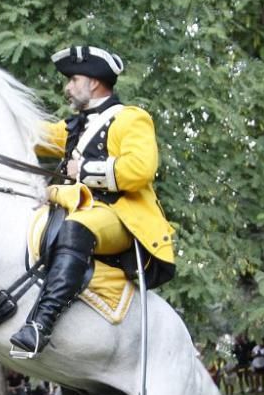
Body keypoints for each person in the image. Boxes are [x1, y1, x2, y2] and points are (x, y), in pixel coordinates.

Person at [10, 45, 175, 356]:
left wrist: (83, 170)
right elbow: (34, 135)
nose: (67, 87)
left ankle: (40, 324)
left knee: (77, 226)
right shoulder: (72, 126)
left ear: (94, 82)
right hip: (77, 208)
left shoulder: (131, 119)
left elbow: (141, 169)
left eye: (73, 80)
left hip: (118, 215)